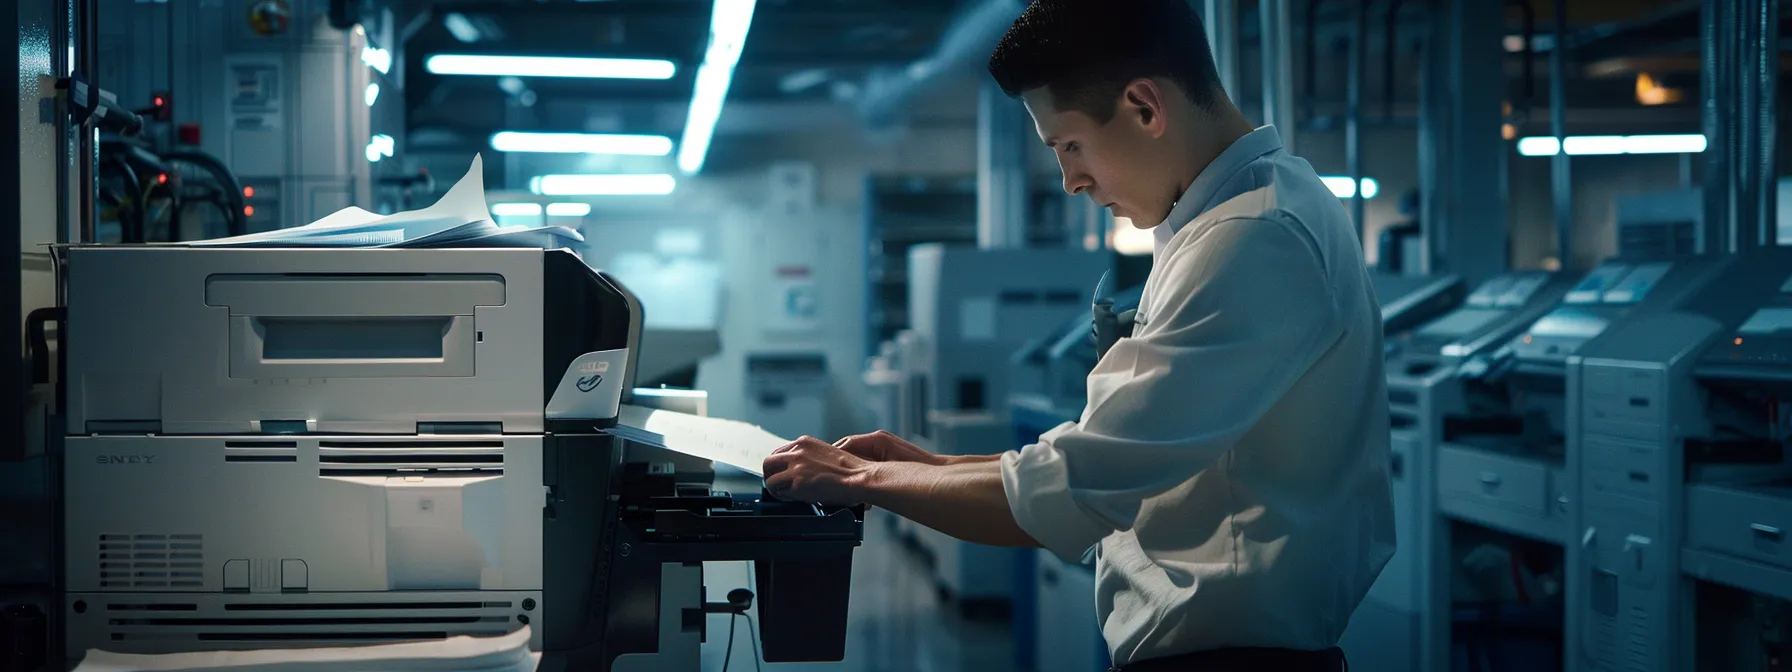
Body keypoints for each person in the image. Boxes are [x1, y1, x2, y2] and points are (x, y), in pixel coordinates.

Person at [762, 1, 1394, 670]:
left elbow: (1079, 487)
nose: (1071, 181)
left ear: (1144, 107)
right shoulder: (1235, 215)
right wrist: (926, 468)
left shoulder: (1251, 237)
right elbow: (1116, 456)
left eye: (1069, 145)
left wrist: (868, 479)